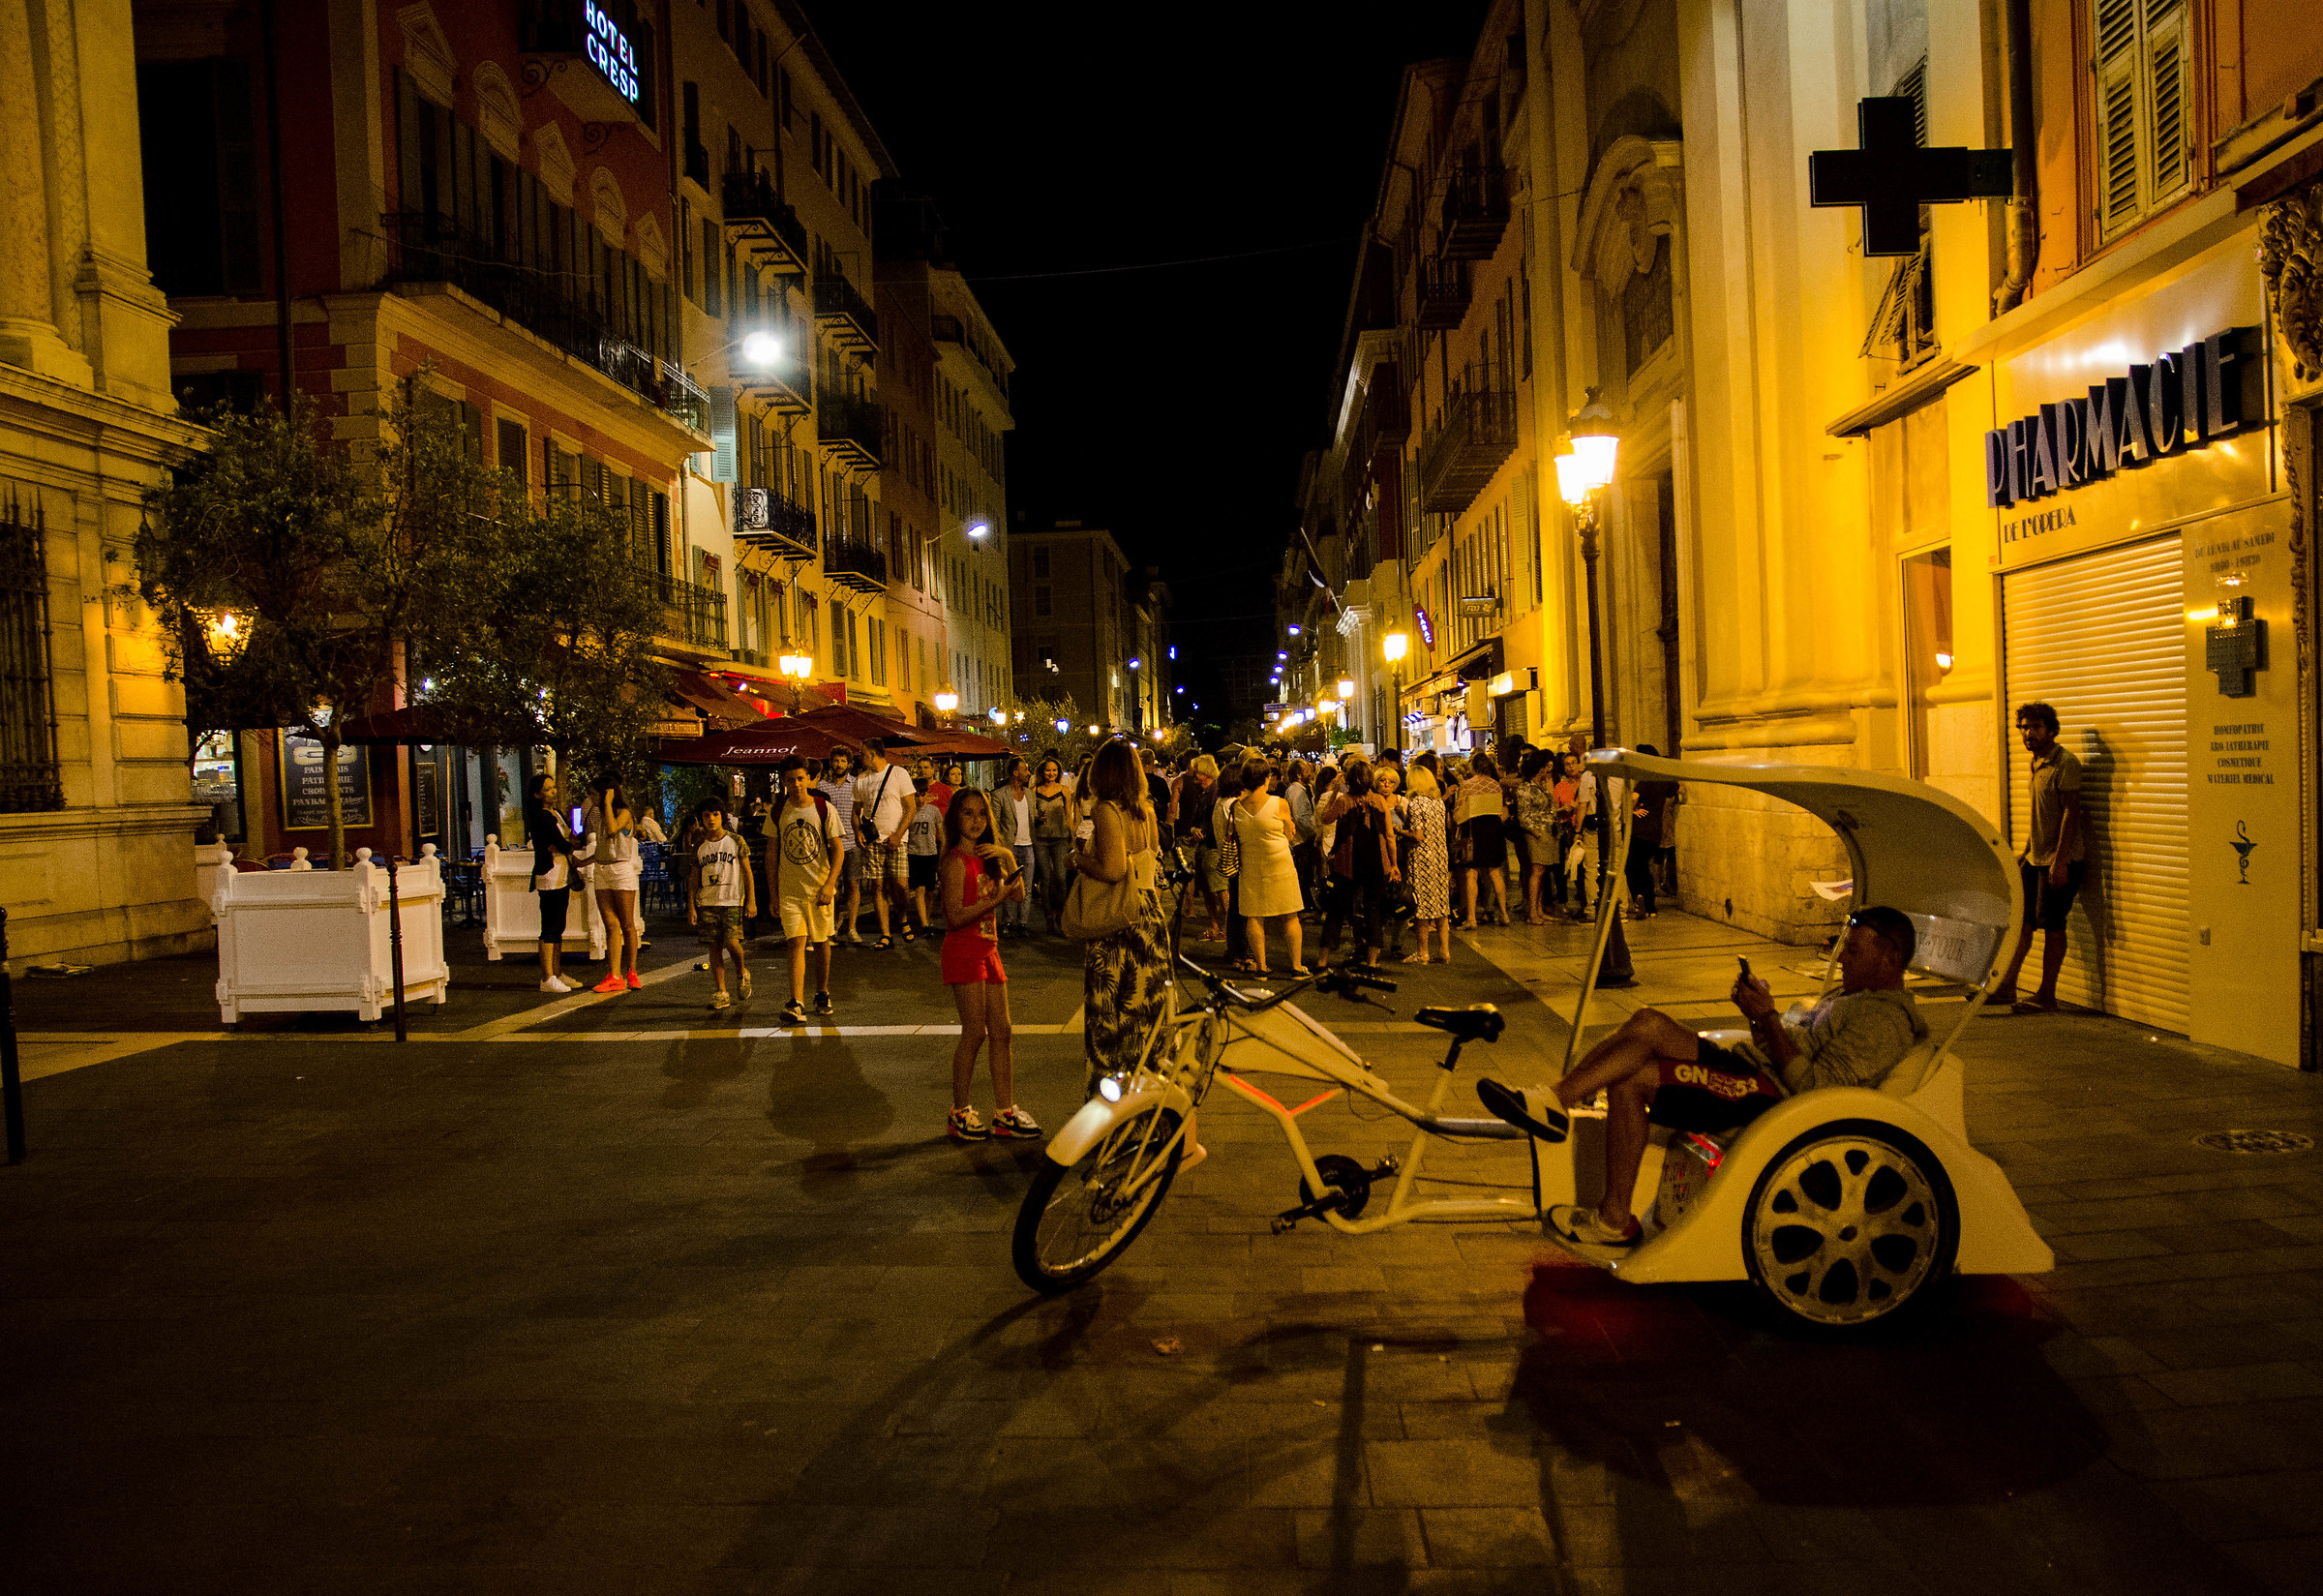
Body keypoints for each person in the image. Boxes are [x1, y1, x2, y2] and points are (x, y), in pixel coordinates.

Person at [1486, 907, 1929, 1250]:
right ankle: (1555, 1101)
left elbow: (1817, 1088)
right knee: (1647, 1023)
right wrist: (1757, 1015)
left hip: (1769, 1096)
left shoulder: (1884, 1020)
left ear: (1890, 958)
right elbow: (1794, 1046)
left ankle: (1610, 1213)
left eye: (1854, 950)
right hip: (1754, 1069)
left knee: (1632, 1078)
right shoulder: (1853, 997)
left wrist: (1768, 1019)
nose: (1842, 957)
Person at [1072, 740, 1174, 1100]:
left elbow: (1114, 869)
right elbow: (1150, 861)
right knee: (1147, 1016)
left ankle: (1110, 1106)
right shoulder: (1145, 811)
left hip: (1118, 923)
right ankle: (1149, 1102)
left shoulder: (1106, 810)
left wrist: (1078, 859)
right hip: (1148, 914)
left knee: (1110, 1018)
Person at [939, 787, 1040, 1142]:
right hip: (964, 950)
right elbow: (954, 917)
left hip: (989, 949)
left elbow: (1019, 894)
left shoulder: (990, 857)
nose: (976, 820)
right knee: (974, 1032)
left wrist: (1007, 856)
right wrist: (995, 900)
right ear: (955, 818)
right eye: (967, 813)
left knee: (1002, 1030)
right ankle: (959, 1111)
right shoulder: (955, 862)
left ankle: (1005, 1110)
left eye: (981, 813)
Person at [1990, 701, 2084, 1014]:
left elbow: (2071, 813)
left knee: (2053, 923)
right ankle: (2007, 986)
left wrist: (2060, 860)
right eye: (2024, 728)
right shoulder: (2036, 763)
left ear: (2052, 730)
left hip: (2060, 860)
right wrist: (2027, 852)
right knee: (2024, 922)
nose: (2028, 734)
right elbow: (2040, 815)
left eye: (2036, 727)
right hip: (2036, 858)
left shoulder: (2065, 763)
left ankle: (2047, 995)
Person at [768, 755, 846, 1024]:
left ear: (808, 779)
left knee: (821, 942)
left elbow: (838, 851)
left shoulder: (824, 808)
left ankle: (822, 991)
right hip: (790, 891)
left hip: (819, 890)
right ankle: (796, 1001)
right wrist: (774, 893)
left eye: (801, 778)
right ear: (784, 782)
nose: (797, 785)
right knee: (795, 943)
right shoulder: (778, 811)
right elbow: (771, 854)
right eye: (791, 780)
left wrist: (830, 884)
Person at [1315, 759, 1400, 970]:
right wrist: (1393, 864)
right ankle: (1372, 961)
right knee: (1374, 909)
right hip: (1376, 860)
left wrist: (1335, 792)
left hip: (1348, 862)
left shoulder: (1344, 801)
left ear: (1349, 781)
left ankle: (1322, 959)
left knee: (1337, 909)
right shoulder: (1378, 801)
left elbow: (1325, 818)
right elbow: (1389, 835)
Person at [1230, 758, 1306, 976]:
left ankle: (1261, 967)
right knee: (1290, 915)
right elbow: (1289, 834)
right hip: (1280, 863)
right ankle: (1296, 966)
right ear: (1266, 778)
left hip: (1251, 864)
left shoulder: (1236, 807)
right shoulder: (1278, 803)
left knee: (1254, 916)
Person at [689, 798, 754, 1011]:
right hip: (708, 901)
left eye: (715, 814)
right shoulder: (699, 846)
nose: (711, 819)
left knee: (732, 942)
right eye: (706, 815)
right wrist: (692, 906)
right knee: (714, 946)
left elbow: (747, 872)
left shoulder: (736, 841)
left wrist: (751, 900)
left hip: (731, 900)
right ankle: (721, 991)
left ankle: (742, 971)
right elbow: (694, 877)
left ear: (722, 816)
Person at [853, 738, 917, 949]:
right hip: (873, 840)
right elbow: (856, 811)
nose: (860, 758)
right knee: (878, 885)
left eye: (862, 754)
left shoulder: (899, 774)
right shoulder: (862, 779)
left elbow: (911, 808)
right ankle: (885, 933)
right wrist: (857, 831)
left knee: (901, 885)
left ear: (872, 755)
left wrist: (898, 835)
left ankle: (902, 917)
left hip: (897, 839)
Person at [583, 778, 643, 994]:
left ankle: (632, 970)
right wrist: (583, 862)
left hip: (621, 870)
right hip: (602, 870)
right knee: (610, 924)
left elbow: (612, 830)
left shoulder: (624, 813)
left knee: (627, 923)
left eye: (595, 794)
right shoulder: (600, 815)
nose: (592, 798)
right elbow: (602, 846)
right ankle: (614, 974)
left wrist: (608, 804)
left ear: (607, 793)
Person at [525, 771, 581, 993]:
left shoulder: (556, 813)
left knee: (559, 925)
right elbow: (559, 842)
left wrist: (568, 843)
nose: (553, 792)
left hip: (563, 873)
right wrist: (565, 844)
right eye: (548, 789)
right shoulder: (540, 816)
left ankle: (557, 971)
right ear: (537, 794)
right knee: (550, 925)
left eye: (553, 787)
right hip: (549, 874)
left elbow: (570, 840)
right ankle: (547, 976)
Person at [1455, 752, 1509, 929]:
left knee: (1471, 873)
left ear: (1473, 767)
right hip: (1494, 831)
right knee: (1495, 873)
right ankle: (1504, 914)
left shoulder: (1467, 785)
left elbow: (1459, 811)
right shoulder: (1496, 785)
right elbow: (1501, 810)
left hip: (1474, 831)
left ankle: (1471, 918)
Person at [1403, 768, 1453, 963]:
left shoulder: (1416, 803)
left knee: (1421, 906)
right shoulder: (1438, 802)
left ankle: (1423, 952)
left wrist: (1399, 831)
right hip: (1440, 856)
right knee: (1441, 903)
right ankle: (1444, 950)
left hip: (1421, 858)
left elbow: (1418, 835)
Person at [815, 749, 862, 944]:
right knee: (831, 887)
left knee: (853, 885)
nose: (839, 764)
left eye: (843, 761)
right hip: (830, 844)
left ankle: (852, 927)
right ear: (831, 763)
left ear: (849, 764)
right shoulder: (822, 785)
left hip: (852, 841)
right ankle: (832, 925)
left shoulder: (857, 784)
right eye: (836, 761)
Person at [1626, 745, 1677, 920]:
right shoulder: (1662, 780)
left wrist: (1633, 810)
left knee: (1631, 866)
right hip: (1656, 831)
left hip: (1640, 829)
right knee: (1643, 866)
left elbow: (1632, 798)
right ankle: (1650, 906)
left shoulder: (1645, 781)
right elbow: (1676, 789)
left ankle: (1638, 897)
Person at [1030, 757, 1077, 934]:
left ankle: (1061, 916)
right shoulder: (1034, 791)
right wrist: (1037, 818)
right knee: (1045, 878)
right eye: (1048, 770)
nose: (1051, 773)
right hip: (1040, 838)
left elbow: (1068, 814)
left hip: (1060, 838)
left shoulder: (1064, 791)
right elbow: (1031, 815)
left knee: (1061, 878)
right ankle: (1048, 917)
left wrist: (1072, 836)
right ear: (1042, 772)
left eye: (1054, 770)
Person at [992, 757, 1038, 938]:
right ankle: (1008, 922)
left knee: (1027, 887)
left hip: (1028, 845)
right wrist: (998, 848)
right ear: (1015, 773)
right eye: (1025, 770)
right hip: (1009, 847)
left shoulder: (1030, 795)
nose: (1028, 773)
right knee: (1010, 886)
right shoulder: (1000, 795)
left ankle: (1023, 922)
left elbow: (1032, 818)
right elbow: (995, 823)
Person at [1514, 748, 1558, 925]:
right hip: (1537, 834)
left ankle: (1539, 910)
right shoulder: (1526, 788)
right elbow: (1523, 816)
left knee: (1543, 872)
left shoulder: (1542, 787)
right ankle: (1532, 911)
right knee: (1536, 872)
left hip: (1548, 832)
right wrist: (1537, 832)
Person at [906, 777, 944, 932]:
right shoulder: (908, 811)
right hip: (914, 853)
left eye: (923, 795)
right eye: (916, 795)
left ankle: (926, 917)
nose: (920, 799)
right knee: (919, 889)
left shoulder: (933, 811)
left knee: (930, 890)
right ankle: (924, 923)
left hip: (931, 852)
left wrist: (943, 852)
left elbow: (940, 832)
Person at [1141, 746, 1178, 858]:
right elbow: (1167, 803)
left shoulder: (1134, 782)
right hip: (1156, 824)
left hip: (1139, 824)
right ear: (1152, 763)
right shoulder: (1160, 782)